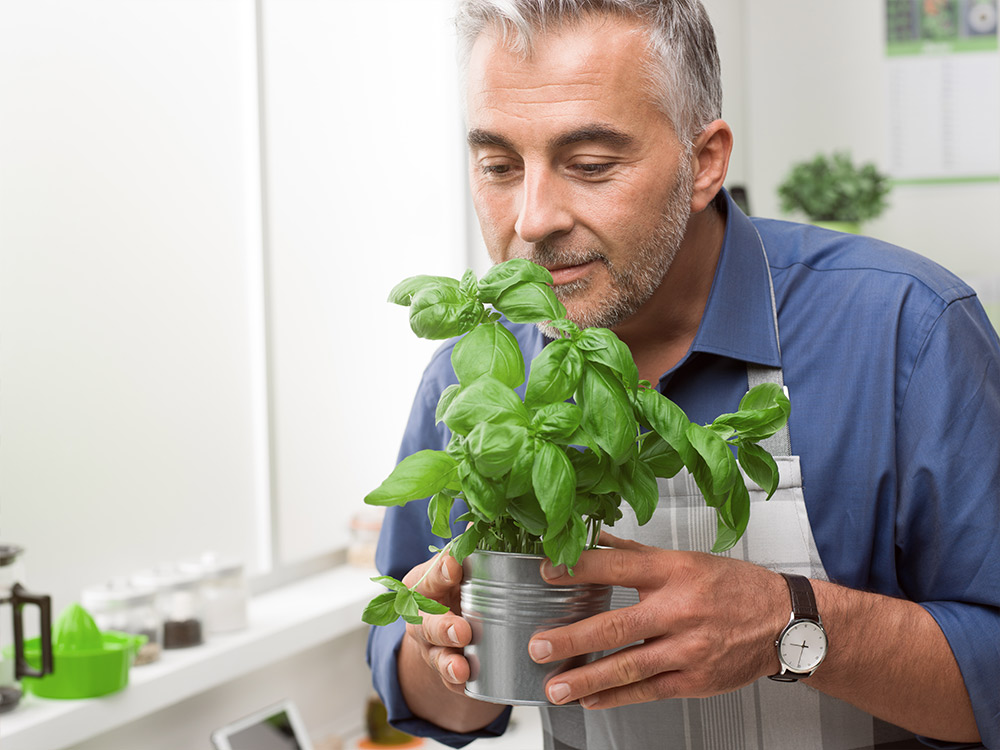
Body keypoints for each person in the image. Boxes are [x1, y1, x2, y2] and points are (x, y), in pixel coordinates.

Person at [366, 1, 1000, 748]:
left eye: (590, 165)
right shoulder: (469, 377)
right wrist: (439, 645)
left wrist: (785, 622)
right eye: (499, 166)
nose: (532, 219)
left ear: (704, 162)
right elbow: (441, 710)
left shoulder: (906, 330)